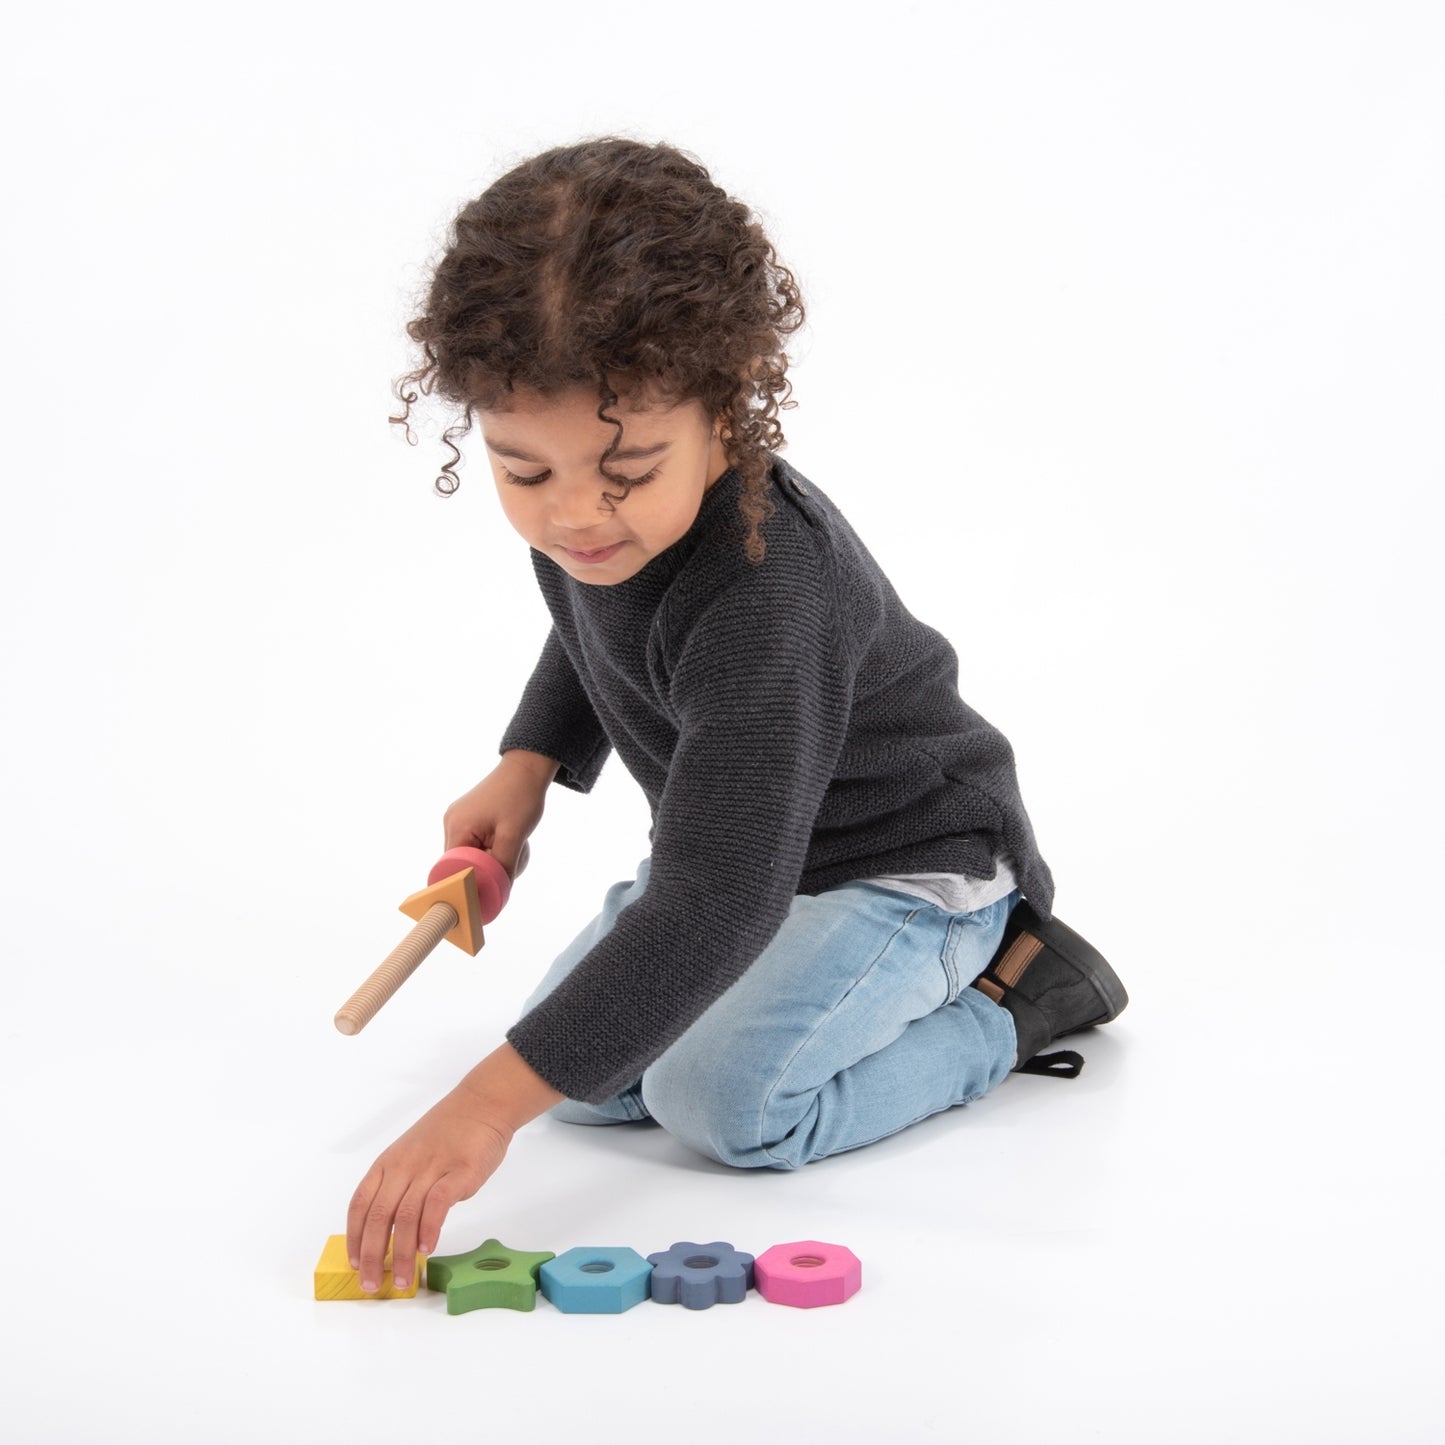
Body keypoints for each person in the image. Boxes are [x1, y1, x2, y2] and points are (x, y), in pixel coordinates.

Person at [346, 138, 1127, 1294]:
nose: (574, 516)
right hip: (748, 856)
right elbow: (590, 624)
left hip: (906, 869)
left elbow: (718, 898)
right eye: (524, 473)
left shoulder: (767, 594)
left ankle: (1013, 1005)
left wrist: (481, 1110)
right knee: (600, 1080)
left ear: (729, 409)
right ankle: (700, 978)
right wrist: (531, 760)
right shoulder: (598, 529)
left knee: (723, 1102)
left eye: (625, 470)